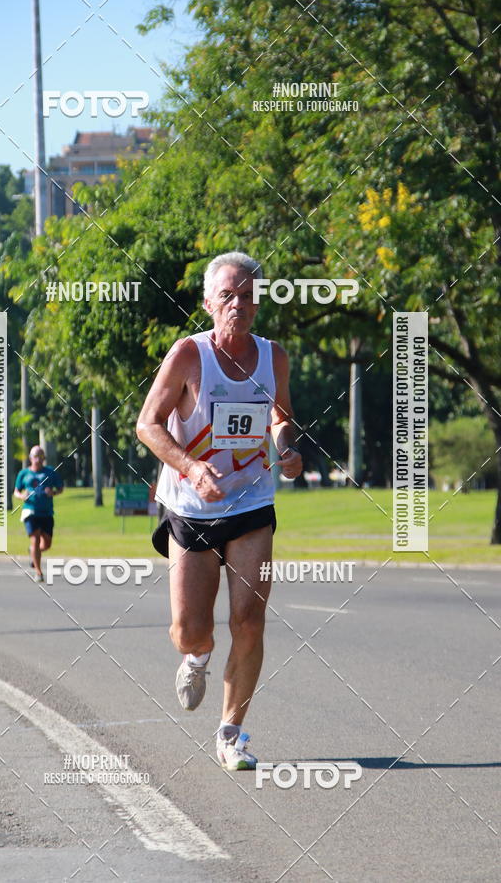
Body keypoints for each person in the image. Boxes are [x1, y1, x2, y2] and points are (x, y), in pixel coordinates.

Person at [136, 251, 302, 770]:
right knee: (190, 628)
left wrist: (286, 448)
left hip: (252, 501)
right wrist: (190, 468)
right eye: (228, 295)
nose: (238, 304)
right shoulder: (189, 355)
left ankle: (232, 734)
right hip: (192, 507)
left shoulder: (274, 357)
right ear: (208, 302)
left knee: (249, 620)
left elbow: (280, 417)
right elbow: (147, 424)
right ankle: (197, 654)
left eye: (248, 296)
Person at [14, 446, 63, 583]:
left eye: (41, 457)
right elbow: (16, 491)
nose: (38, 459)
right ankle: (39, 572)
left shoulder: (50, 472)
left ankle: (33, 553)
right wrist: (21, 496)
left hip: (46, 513)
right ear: (30, 458)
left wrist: (53, 492)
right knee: (35, 540)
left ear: (44, 458)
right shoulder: (24, 473)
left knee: (46, 544)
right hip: (30, 511)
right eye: (35, 456)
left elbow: (60, 488)